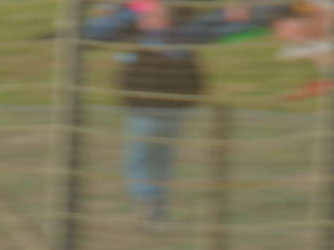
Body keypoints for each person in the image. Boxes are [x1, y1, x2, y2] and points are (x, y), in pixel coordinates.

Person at [83, 1, 245, 227]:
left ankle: (151, 202)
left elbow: (193, 73)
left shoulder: (176, 42)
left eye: (152, 17)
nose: (145, 21)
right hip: (144, 110)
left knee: (149, 157)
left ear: (166, 19)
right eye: (145, 17)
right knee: (146, 157)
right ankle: (151, 202)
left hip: (163, 111)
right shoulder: (139, 38)